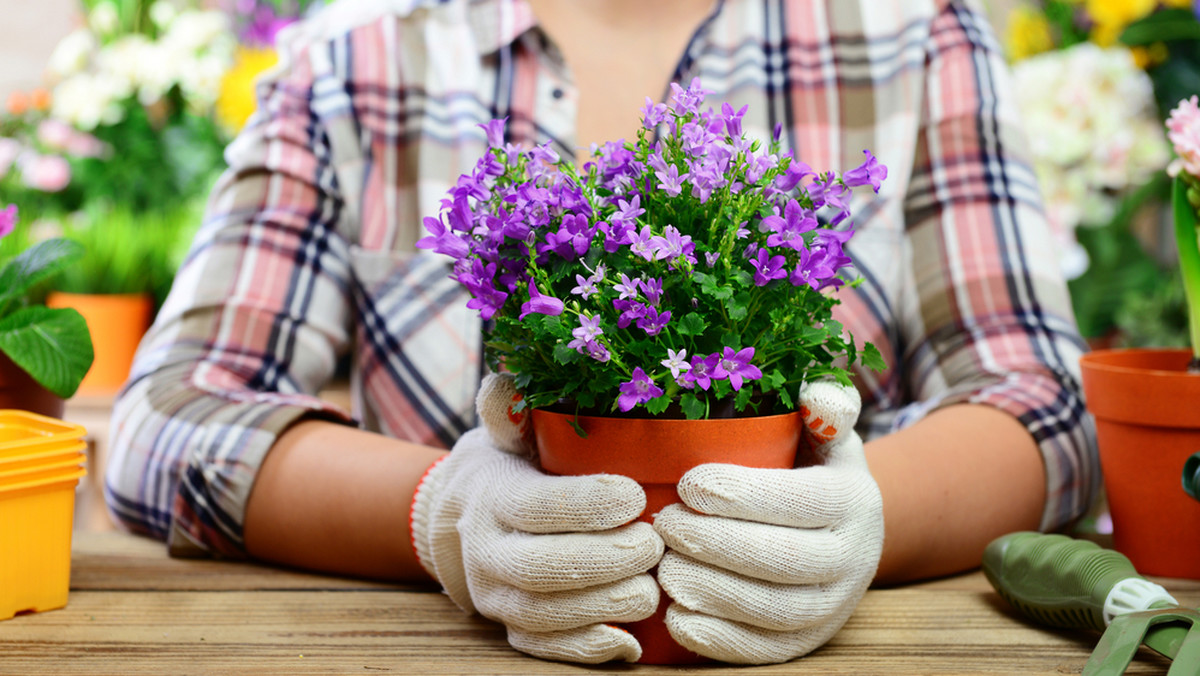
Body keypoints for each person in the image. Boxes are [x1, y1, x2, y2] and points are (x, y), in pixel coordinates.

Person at [104, 0, 1099, 665]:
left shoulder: (911, 30)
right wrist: (445, 514)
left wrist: (864, 514)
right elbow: (169, 415)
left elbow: (1044, 400)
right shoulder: (355, 56)